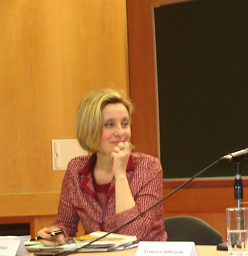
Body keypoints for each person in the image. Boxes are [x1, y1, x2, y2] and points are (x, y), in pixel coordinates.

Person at [36, 88, 167, 244]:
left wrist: (120, 175)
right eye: (109, 124)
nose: (121, 132)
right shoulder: (76, 169)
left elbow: (134, 234)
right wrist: (55, 234)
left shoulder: (148, 167)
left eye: (125, 124)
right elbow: (65, 225)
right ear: (90, 129)